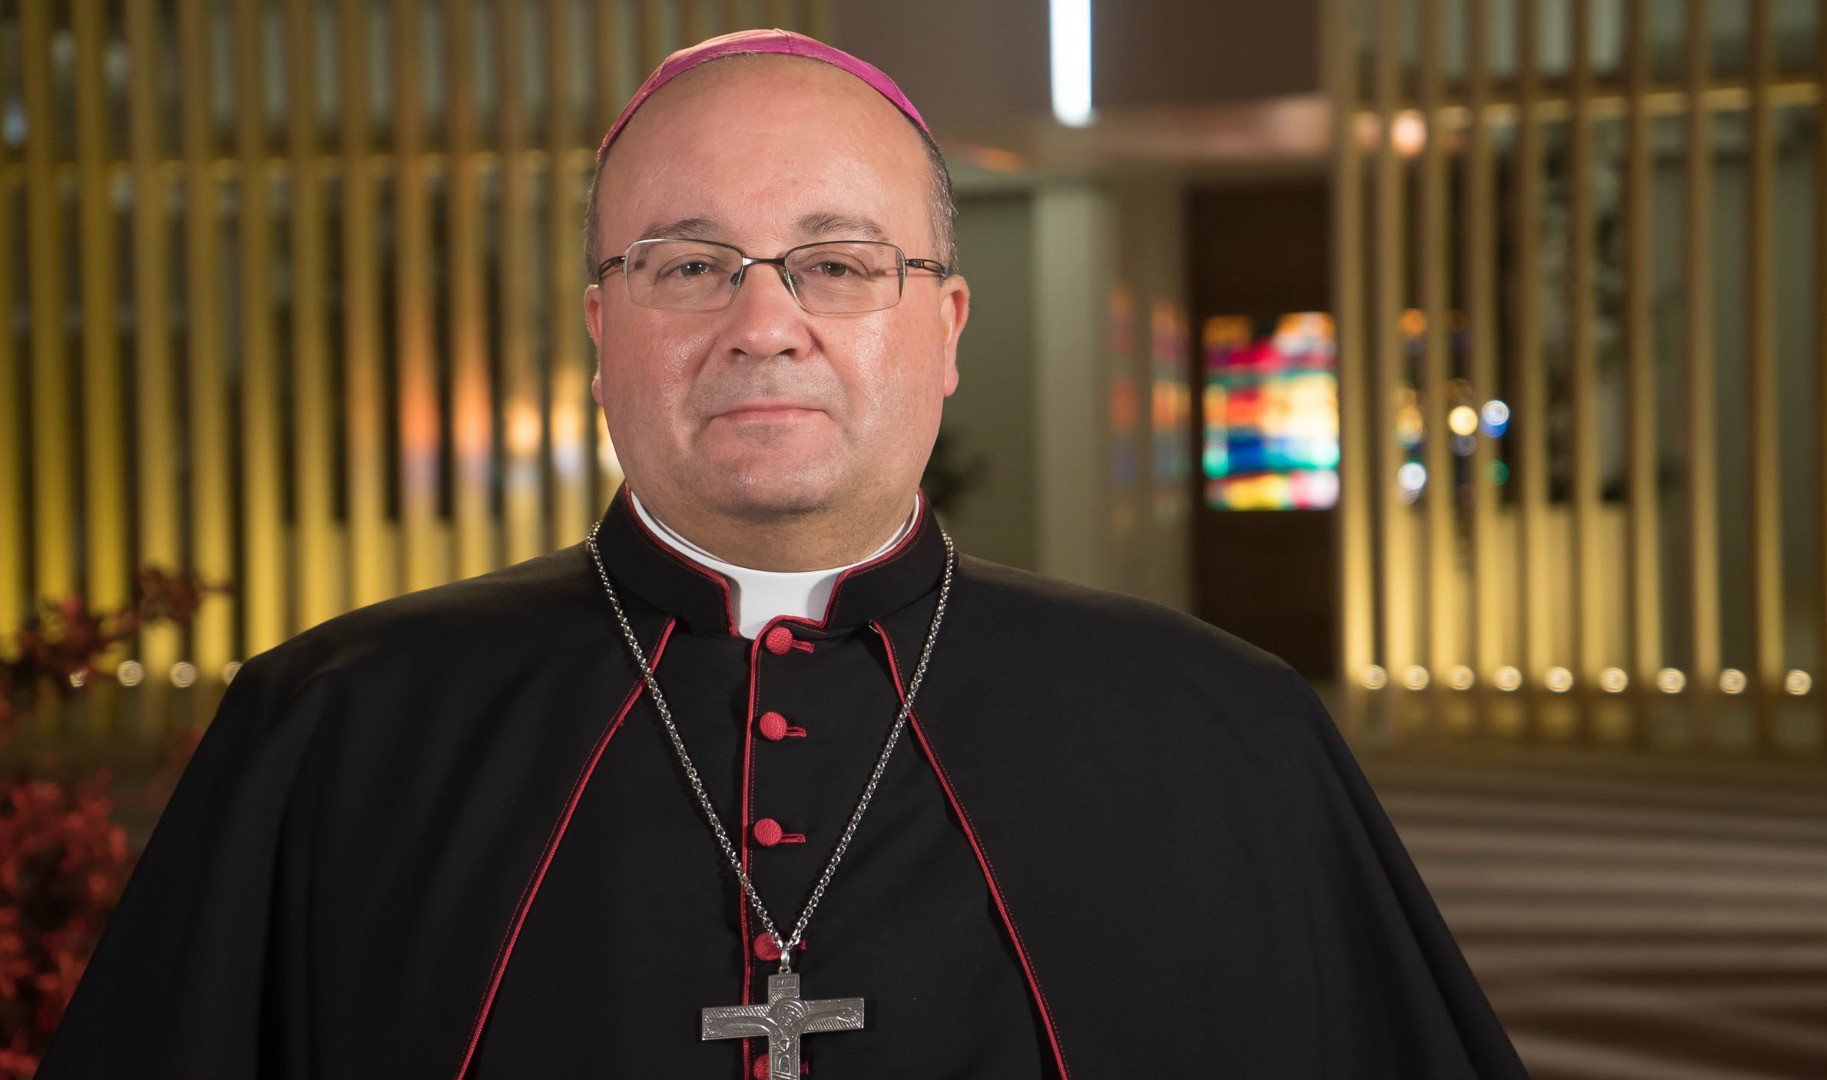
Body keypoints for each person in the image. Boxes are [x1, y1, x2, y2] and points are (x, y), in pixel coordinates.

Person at [40, 29, 1525, 1080]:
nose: (765, 322)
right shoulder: (332, 731)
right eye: (689, 265)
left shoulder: (1229, 736)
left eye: (837, 262)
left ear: (943, 330)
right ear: (601, 327)